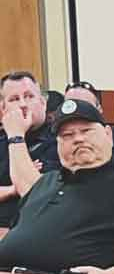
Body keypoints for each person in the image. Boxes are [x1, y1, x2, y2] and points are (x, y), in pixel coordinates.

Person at [0, 98, 114, 274]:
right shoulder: (45, 183)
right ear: (58, 144)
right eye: (67, 135)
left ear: (108, 134)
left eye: (86, 131)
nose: (78, 139)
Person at [0, 70, 59, 227]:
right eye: (14, 99)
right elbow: (21, 185)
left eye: (29, 96)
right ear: (3, 109)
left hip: (35, 233)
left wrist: (16, 135)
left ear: (43, 103)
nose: (23, 104)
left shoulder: (60, 141)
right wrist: (13, 189)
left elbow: (38, 192)